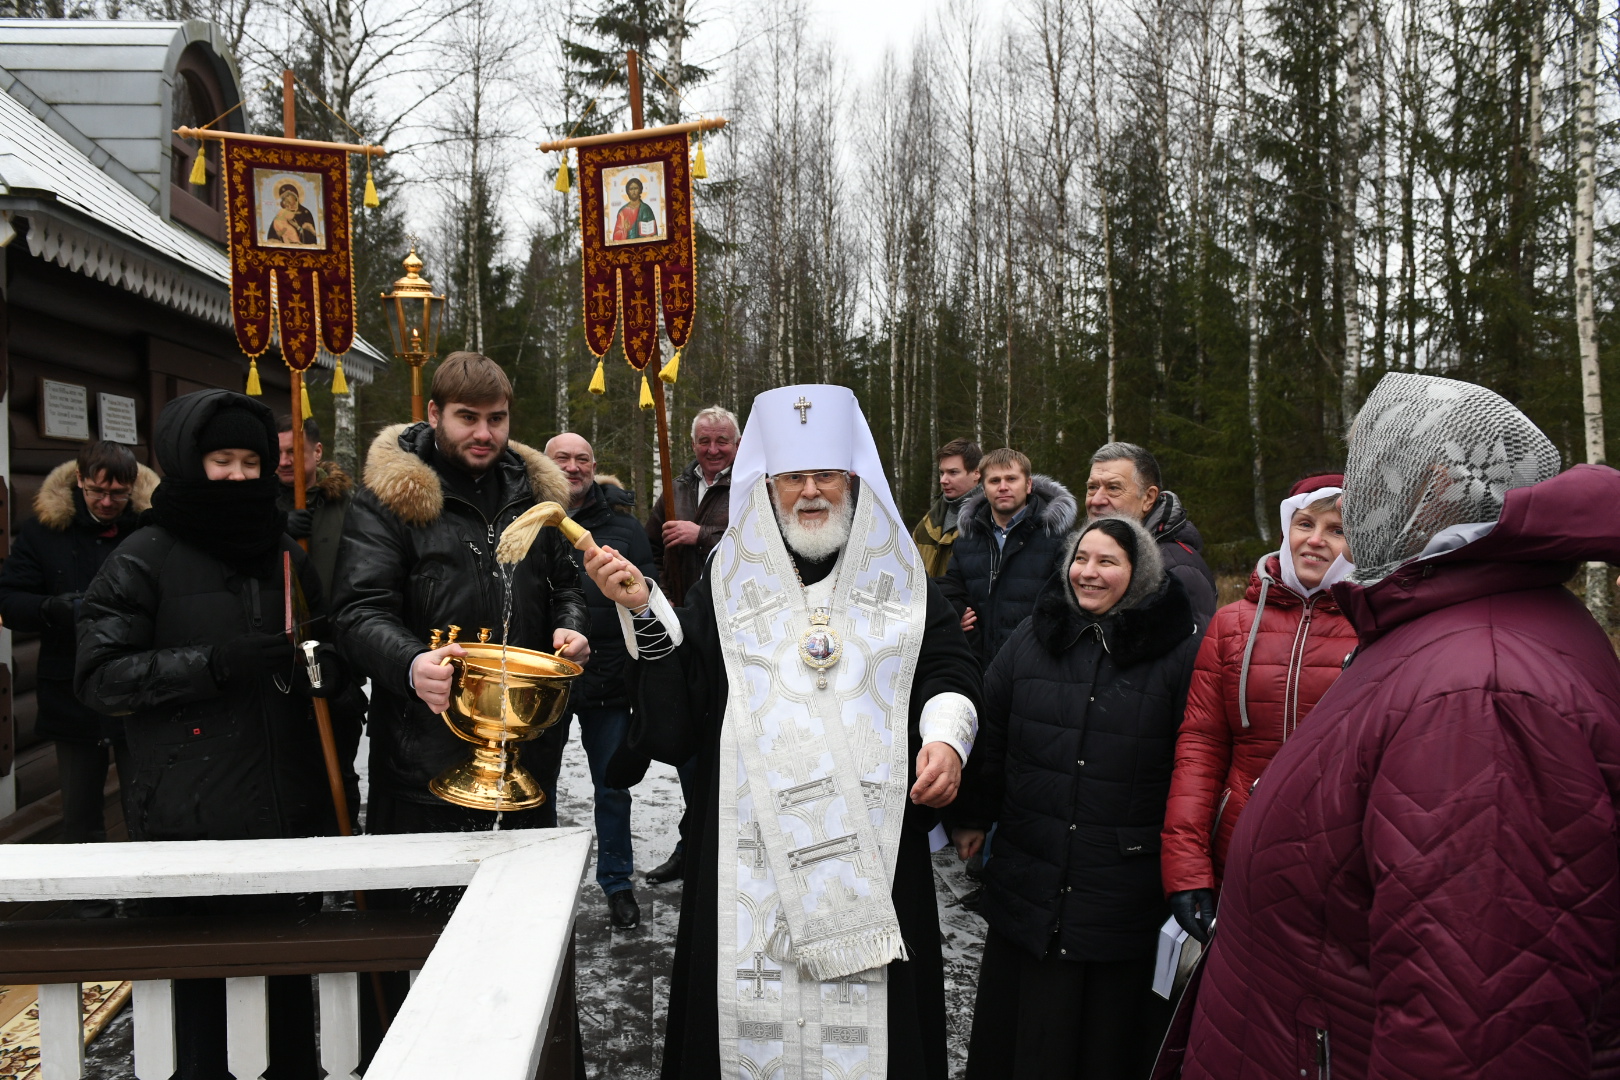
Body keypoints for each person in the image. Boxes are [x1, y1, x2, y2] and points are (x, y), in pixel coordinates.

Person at [1181, 373, 1620, 1078]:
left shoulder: (1482, 692)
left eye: (1370, 477)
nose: (1356, 503)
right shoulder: (1454, 633)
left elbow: (1475, 1032)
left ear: (1434, 490)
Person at [583, 383, 981, 1080]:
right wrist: (643, 606)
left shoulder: (898, 573)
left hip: (873, 845)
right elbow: (686, 700)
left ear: (853, 478)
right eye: (792, 476)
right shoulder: (730, 575)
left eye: (825, 474)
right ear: (766, 485)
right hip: (748, 847)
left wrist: (945, 737)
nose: (810, 491)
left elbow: (947, 665)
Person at [75, 389, 348, 1080]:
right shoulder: (144, 555)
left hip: (285, 808)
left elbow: (322, 643)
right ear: (188, 463)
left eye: (250, 462)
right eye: (220, 461)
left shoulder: (283, 552)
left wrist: (332, 672)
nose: (237, 476)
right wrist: (213, 665)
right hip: (188, 816)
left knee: (286, 990)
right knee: (201, 1003)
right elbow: (101, 678)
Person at [948, 516, 1201, 1080]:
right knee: (1024, 1029)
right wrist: (970, 815)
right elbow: (992, 730)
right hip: (1030, 867)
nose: (1089, 573)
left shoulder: (1179, 652)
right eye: (1081, 559)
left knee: (1101, 1038)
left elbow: (1195, 763)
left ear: (1138, 573)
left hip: (1119, 879)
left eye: (1108, 562)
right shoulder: (1033, 637)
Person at [332, 351, 589, 839]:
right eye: (467, 418)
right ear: (435, 415)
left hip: (523, 755)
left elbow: (567, 588)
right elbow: (356, 611)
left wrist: (571, 627)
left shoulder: (535, 495)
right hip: (423, 752)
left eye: (496, 419)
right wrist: (411, 665)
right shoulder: (390, 498)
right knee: (419, 912)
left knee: (526, 908)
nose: (484, 434)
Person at [1157, 475, 1356, 946]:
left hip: (1339, 860)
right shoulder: (1232, 623)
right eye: (1304, 523)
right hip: (1239, 848)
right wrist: (1186, 867)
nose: (1315, 539)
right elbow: (1201, 745)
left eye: (1336, 529)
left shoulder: (1381, 623)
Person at [0, 442, 155, 857]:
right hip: (70, 689)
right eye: (96, 492)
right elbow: (9, 600)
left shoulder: (149, 530)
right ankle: (92, 907)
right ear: (80, 482)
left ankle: (148, 903)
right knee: (80, 812)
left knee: (146, 807)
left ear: (132, 489)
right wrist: (53, 608)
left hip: (137, 686)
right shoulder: (42, 531)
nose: (107, 502)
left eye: (118, 494)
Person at [541, 432, 657, 930]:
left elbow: (649, 588)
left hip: (609, 673)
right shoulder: (530, 520)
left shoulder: (625, 527)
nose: (573, 466)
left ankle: (617, 883)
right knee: (537, 782)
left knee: (612, 784)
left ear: (594, 466)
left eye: (582, 459)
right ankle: (536, 879)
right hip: (545, 672)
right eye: (561, 459)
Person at [641, 403, 739, 885]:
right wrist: (660, 596)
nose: (714, 450)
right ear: (694, 443)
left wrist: (704, 534)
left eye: (724, 441)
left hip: (734, 630)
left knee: (728, 745)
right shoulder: (675, 488)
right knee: (686, 743)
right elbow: (652, 548)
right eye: (706, 441)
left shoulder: (753, 486)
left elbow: (757, 542)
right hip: (682, 628)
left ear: (738, 444)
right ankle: (693, 840)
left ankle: (716, 843)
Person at [277, 413, 364, 827]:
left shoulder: (348, 506)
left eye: (292, 451)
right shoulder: (258, 505)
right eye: (276, 452)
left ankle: (349, 874)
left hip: (335, 654)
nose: (284, 461)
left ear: (316, 451)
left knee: (338, 770)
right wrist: (277, 525)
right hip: (279, 662)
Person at [942, 447, 1077, 669]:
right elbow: (952, 584)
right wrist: (955, 610)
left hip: (1033, 664)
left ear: (1028, 485)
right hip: (977, 664)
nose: (1003, 487)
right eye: (994, 481)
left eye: (1011, 479)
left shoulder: (1057, 538)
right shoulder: (967, 539)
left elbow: (1065, 605)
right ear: (984, 489)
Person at [1084, 442, 1218, 622]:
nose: (1096, 500)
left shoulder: (1178, 571)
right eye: (1092, 488)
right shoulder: (1079, 559)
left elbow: (1193, 649)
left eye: (1113, 488)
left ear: (1148, 498)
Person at [912, 437, 983, 577]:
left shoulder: (990, 520)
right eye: (942, 472)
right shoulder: (927, 524)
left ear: (976, 473)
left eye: (953, 472)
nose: (943, 480)